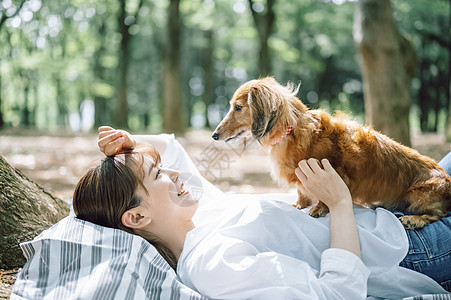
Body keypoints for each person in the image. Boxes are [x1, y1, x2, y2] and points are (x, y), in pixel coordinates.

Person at [72, 126, 451, 299]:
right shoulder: (216, 265)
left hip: (393, 212)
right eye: (157, 176)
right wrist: (337, 203)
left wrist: (132, 142)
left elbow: (171, 152)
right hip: (412, 249)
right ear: (137, 218)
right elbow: (337, 293)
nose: (173, 174)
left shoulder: (198, 215)